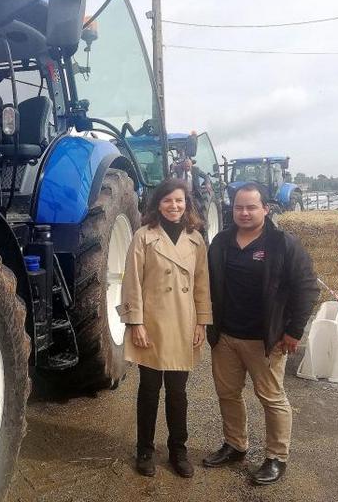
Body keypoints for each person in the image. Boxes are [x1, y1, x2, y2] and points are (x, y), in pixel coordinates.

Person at [202, 182, 319, 485]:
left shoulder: (283, 243)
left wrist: (293, 331)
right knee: (227, 394)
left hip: (265, 340)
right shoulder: (221, 241)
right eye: (239, 207)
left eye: (251, 207)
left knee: (271, 398)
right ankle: (235, 445)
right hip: (225, 337)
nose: (244, 212)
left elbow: (307, 288)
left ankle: (276, 457)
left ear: (266, 209)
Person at [118, 179, 212, 479]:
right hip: (152, 325)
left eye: (180, 201)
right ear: (158, 204)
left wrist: (202, 322)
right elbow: (131, 281)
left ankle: (178, 450)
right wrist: (135, 322)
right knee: (148, 390)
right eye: (168, 200)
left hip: (184, 323)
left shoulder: (196, 239)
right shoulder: (144, 237)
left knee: (177, 391)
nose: (174, 206)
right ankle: (145, 449)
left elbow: (202, 284)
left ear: (187, 204)